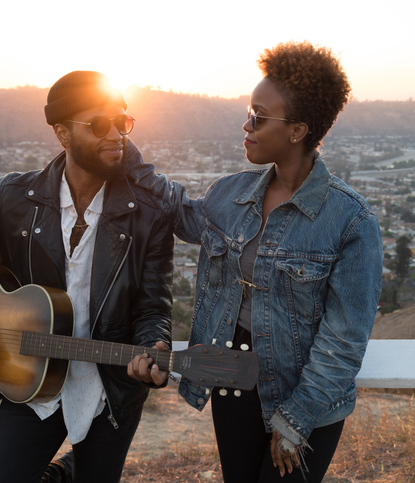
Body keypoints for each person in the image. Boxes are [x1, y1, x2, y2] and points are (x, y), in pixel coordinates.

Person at [126, 41, 383, 482]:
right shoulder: (231, 194)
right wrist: (121, 148)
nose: (246, 124)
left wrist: (295, 419)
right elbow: (177, 210)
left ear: (298, 130)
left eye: (259, 117)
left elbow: (343, 341)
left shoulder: (350, 221)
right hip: (232, 380)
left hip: (307, 399)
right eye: (249, 111)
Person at [0, 71, 174, 483]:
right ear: (62, 134)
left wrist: (152, 346)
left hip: (108, 391)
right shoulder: (12, 197)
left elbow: (152, 304)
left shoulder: (150, 213)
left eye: (122, 122)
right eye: (98, 124)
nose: (116, 135)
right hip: (29, 380)